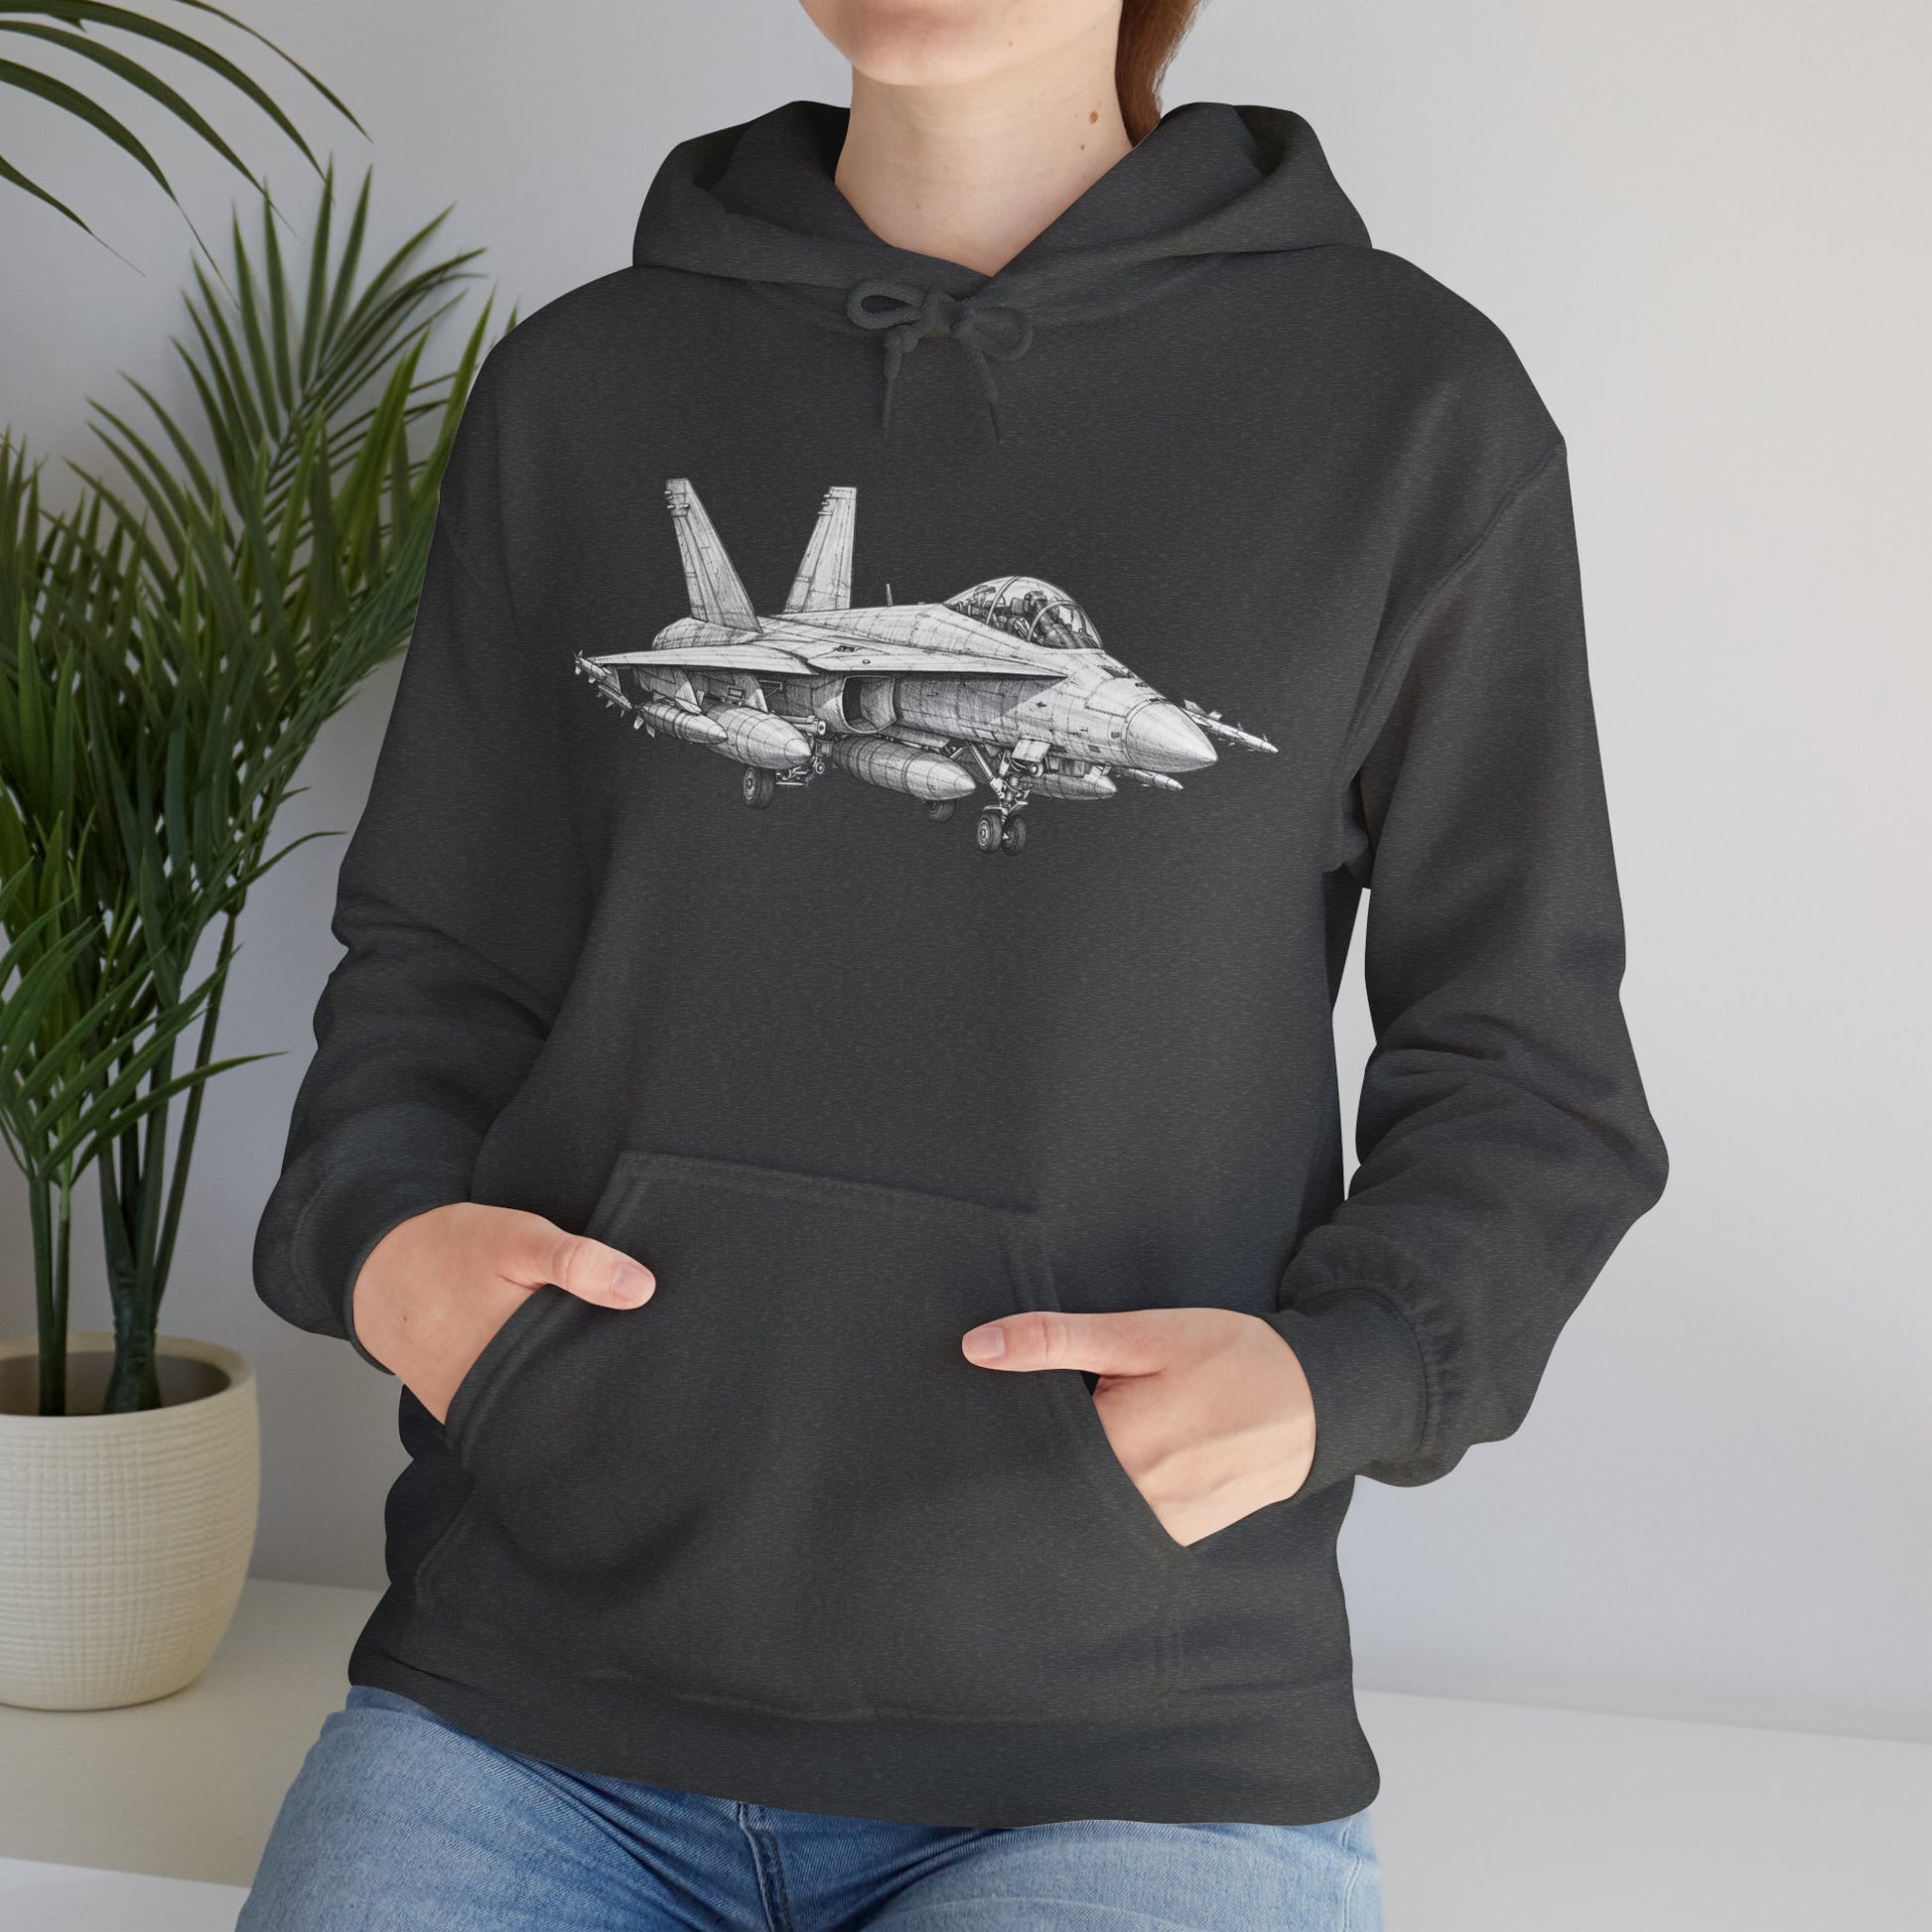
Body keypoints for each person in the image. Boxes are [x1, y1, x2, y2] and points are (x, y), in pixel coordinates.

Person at [241, 0, 1667, 1924]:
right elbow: (435, 956)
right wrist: (390, 1249)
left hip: (1128, 1740)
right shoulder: (584, 387)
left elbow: (1525, 1066)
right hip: (534, 1700)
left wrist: (1344, 1373)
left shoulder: (1407, 411)